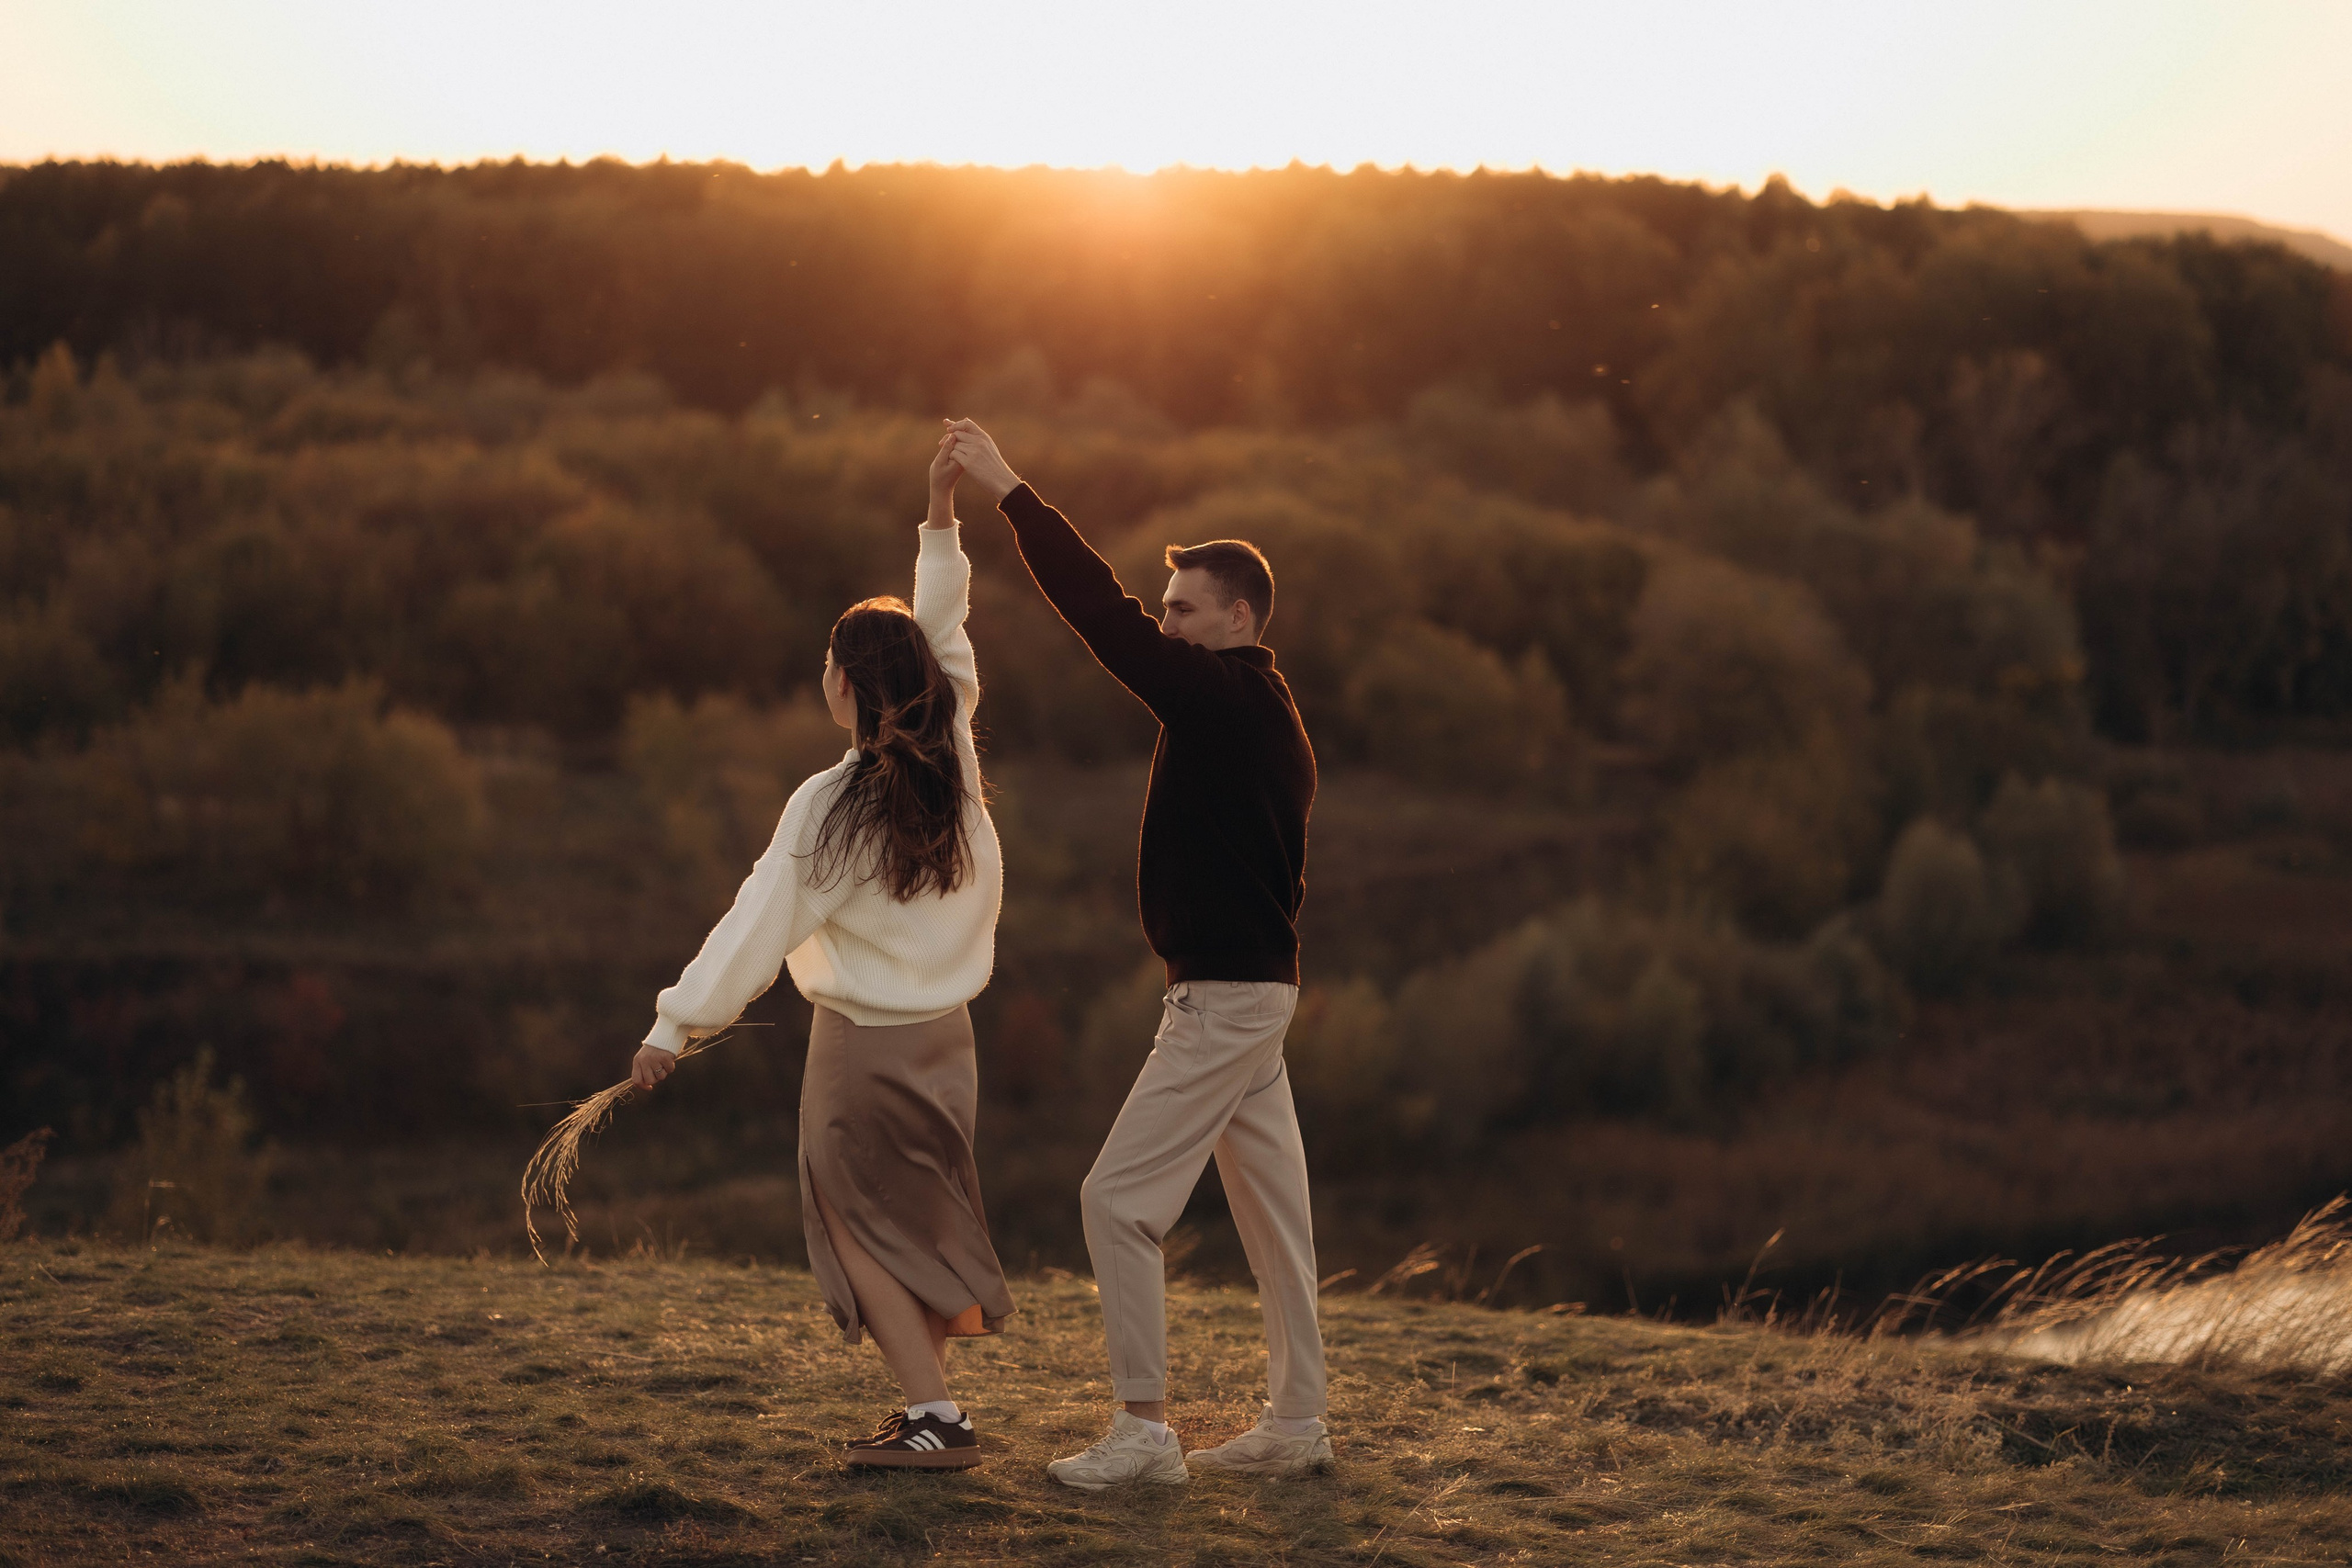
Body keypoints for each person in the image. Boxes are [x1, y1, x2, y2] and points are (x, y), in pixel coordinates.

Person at [942, 417, 1333, 1489]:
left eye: (1183, 611)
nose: (1164, 625)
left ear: (1238, 617)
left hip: (1224, 1001)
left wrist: (1010, 489)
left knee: (1115, 1201)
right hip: (1256, 995)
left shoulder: (1217, 699)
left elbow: (1097, 610)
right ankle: (1298, 1421)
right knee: (1274, 1216)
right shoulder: (1266, 710)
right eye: (1167, 611)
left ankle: (1145, 1430)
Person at [629, 436, 1012, 1471]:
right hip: (948, 1044)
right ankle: (930, 1410)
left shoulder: (833, 803)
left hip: (862, 1052)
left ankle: (937, 1420)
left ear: (842, 681)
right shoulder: (954, 753)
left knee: (855, 1229)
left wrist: (676, 1026)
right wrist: (939, 517)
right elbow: (945, 631)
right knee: (918, 1221)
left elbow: (755, 925)